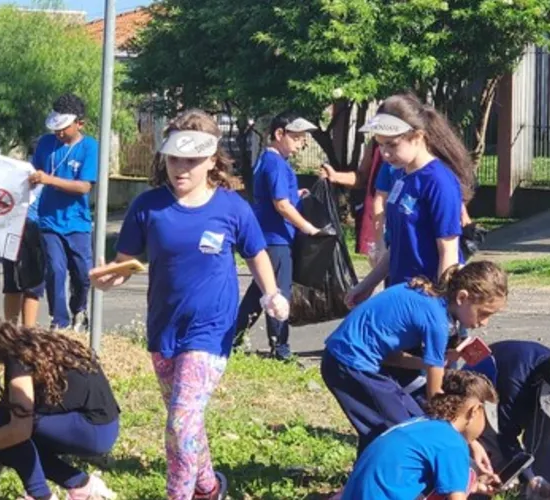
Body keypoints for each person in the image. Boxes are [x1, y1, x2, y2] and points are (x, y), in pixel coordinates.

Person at [90, 109, 288, 500]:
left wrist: (271, 293)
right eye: (174, 159)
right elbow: (123, 263)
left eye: (192, 161)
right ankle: (209, 488)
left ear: (212, 160)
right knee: (188, 422)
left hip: (211, 330)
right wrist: (110, 278)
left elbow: (257, 253)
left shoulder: (232, 208)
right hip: (164, 329)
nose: (181, 168)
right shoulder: (148, 206)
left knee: (180, 424)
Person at [321, 260, 507, 456]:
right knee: (406, 431)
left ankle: (368, 478)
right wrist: (466, 438)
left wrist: (433, 363)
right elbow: (436, 400)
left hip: (349, 360)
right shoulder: (437, 322)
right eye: (484, 313)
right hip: (349, 364)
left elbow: (393, 358)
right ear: (462, 297)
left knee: (404, 422)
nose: (485, 322)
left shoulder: (429, 297)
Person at [0, 304, 120, 500]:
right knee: (2, 419)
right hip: (100, 424)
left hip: (94, 430)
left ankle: (39, 496)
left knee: (3, 421)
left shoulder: (18, 359)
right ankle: (82, 486)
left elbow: (19, 431)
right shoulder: (22, 342)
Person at [345, 93, 476, 306]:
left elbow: (448, 251)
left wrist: (439, 305)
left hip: (426, 300)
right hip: (400, 295)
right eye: (380, 145)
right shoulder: (399, 175)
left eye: (392, 144)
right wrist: (366, 285)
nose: (385, 154)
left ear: (418, 137)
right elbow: (396, 247)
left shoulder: (438, 181)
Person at [235, 112, 331, 360]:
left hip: (266, 237)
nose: (302, 144)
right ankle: (281, 349)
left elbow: (279, 197)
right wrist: (308, 228)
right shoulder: (276, 163)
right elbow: (281, 205)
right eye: (297, 138)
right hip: (276, 240)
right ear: (280, 134)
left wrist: (297, 193)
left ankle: (231, 339)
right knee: (278, 294)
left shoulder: (269, 160)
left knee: (260, 292)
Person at [339, 370, 501, 500]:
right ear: (475, 411)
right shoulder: (452, 442)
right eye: (486, 421)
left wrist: (473, 486)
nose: (484, 429)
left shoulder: (420, 424)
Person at [466, 341, 550, 497]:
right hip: (486, 395)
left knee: (545, 432)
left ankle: (543, 492)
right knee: (494, 453)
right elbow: (504, 435)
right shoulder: (514, 385)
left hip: (535, 389)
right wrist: (528, 476)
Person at [30, 93, 99, 332]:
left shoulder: (89, 147)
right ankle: (59, 320)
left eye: (64, 128)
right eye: (56, 128)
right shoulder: (46, 144)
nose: (59, 133)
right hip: (48, 220)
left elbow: (84, 186)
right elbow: (33, 171)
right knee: (56, 270)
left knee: (82, 274)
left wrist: (49, 179)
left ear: (79, 123)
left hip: (77, 222)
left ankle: (79, 309)